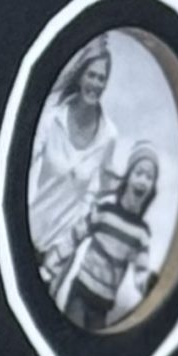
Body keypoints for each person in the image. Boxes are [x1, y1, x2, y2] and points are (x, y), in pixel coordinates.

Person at [30, 39, 122, 288]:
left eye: (102, 78)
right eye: (91, 75)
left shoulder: (109, 136)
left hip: (60, 250)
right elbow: (25, 167)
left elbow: (97, 192)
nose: (96, 84)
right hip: (29, 228)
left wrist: (67, 246)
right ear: (81, 76)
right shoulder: (53, 118)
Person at [54, 148, 161, 331]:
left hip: (103, 306)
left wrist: (150, 286)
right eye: (138, 173)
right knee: (71, 334)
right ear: (128, 177)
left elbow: (141, 273)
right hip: (81, 292)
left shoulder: (141, 233)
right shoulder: (105, 210)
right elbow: (75, 236)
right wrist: (52, 265)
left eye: (149, 177)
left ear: (152, 188)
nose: (143, 180)